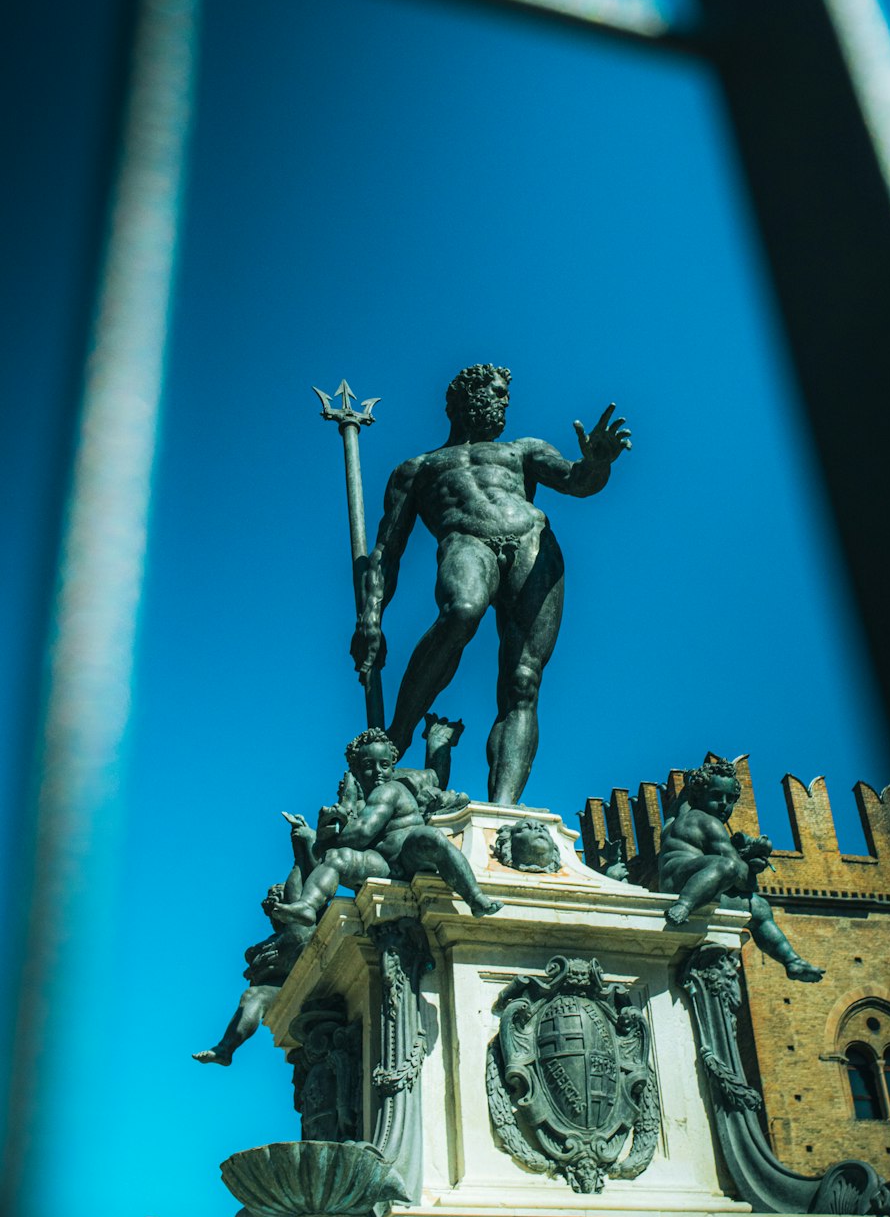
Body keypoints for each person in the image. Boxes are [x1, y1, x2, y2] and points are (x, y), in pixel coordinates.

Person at [350, 364, 630, 805]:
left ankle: (502, 811)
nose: (504, 402)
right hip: (465, 541)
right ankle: (396, 739)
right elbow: (386, 552)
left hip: (533, 544)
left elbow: (579, 481)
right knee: (461, 611)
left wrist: (598, 462)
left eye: (506, 396)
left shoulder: (523, 451)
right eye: (497, 393)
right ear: (467, 396)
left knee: (523, 681)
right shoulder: (417, 469)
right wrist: (371, 618)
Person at [271, 727, 502, 925]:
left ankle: (475, 897)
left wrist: (324, 841)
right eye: (368, 765)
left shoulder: (389, 790)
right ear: (356, 770)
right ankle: (307, 906)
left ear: (393, 767)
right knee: (337, 858)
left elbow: (362, 833)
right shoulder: (359, 803)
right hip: (383, 864)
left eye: (384, 764)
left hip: (409, 852)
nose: (378, 772)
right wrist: (326, 835)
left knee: (430, 838)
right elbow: (341, 841)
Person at [660, 758, 824, 983]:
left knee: (758, 907)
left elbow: (680, 802)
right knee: (728, 867)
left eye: (730, 800)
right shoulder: (709, 823)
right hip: (686, 887)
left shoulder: (675, 819)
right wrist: (752, 868)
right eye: (717, 796)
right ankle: (683, 906)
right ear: (699, 795)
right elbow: (738, 874)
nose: (724, 805)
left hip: (684, 881)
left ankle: (792, 961)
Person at [192, 883, 313, 1065]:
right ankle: (225, 1049)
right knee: (252, 996)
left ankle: (225, 1049)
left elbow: (292, 948)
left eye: (278, 902)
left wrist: (266, 962)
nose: (272, 912)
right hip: (282, 989)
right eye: (270, 908)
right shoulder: (273, 940)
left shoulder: (305, 923)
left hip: (311, 983)